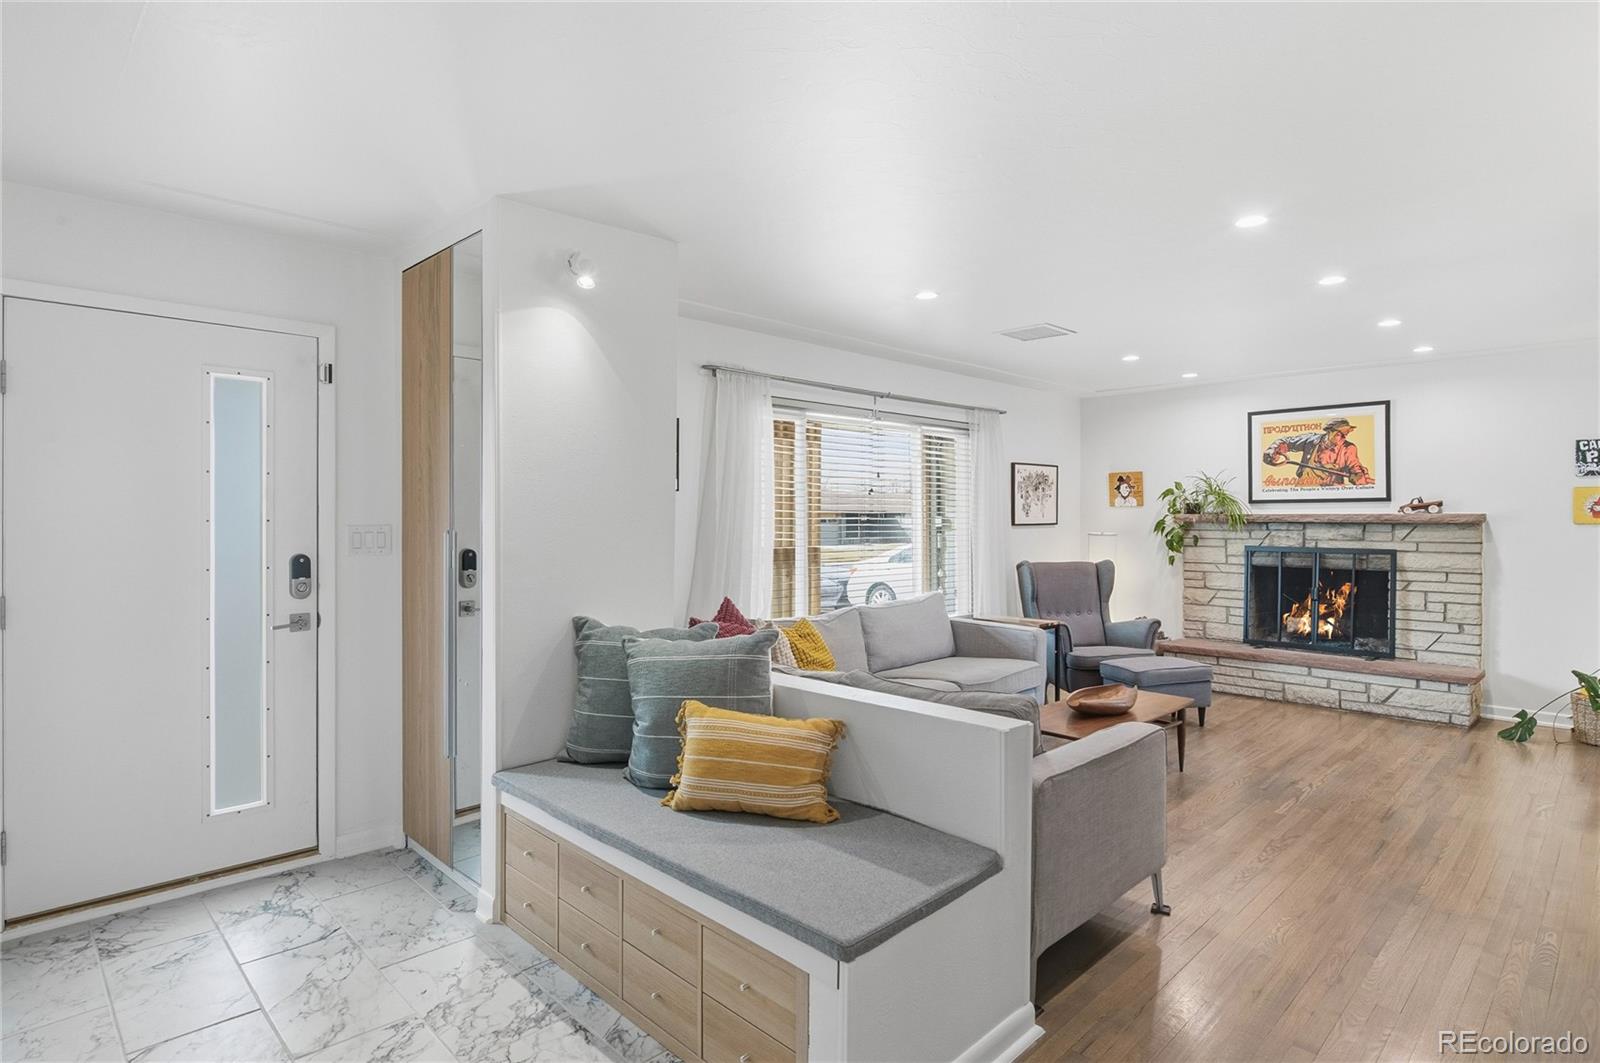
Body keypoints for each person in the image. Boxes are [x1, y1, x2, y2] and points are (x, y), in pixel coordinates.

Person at [1263, 417, 1375, 486]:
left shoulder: (1349, 448)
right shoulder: (1311, 440)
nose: (1344, 437)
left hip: (1332, 491)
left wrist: (1358, 476)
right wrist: (1273, 450)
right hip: (1304, 489)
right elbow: (1286, 442)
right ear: (1329, 432)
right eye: (1340, 433)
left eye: (1347, 433)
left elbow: (1355, 467)